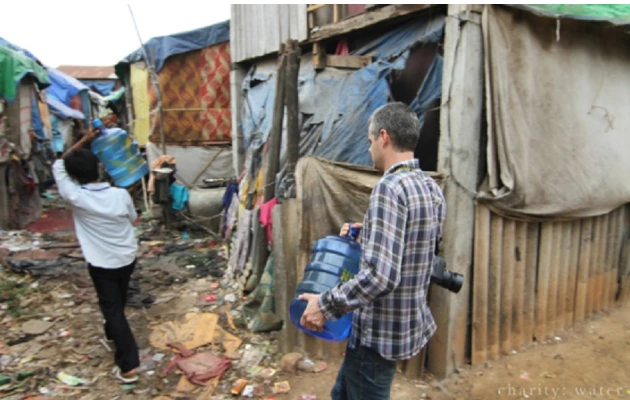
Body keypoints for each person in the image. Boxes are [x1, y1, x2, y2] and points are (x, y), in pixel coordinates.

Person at [299, 102, 445, 400]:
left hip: (376, 336)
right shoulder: (430, 187)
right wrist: (368, 234)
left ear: (384, 137)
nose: (369, 149)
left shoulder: (389, 188)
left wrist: (324, 305)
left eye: (369, 141)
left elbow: (381, 277)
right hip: (397, 329)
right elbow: (416, 249)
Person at [52, 127, 140, 383]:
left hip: (102, 263)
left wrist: (85, 140)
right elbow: (132, 219)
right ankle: (112, 333)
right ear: (99, 168)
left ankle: (129, 365)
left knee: (112, 308)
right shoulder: (120, 194)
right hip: (127, 256)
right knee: (117, 300)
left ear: (73, 176)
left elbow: (59, 164)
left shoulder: (76, 196)